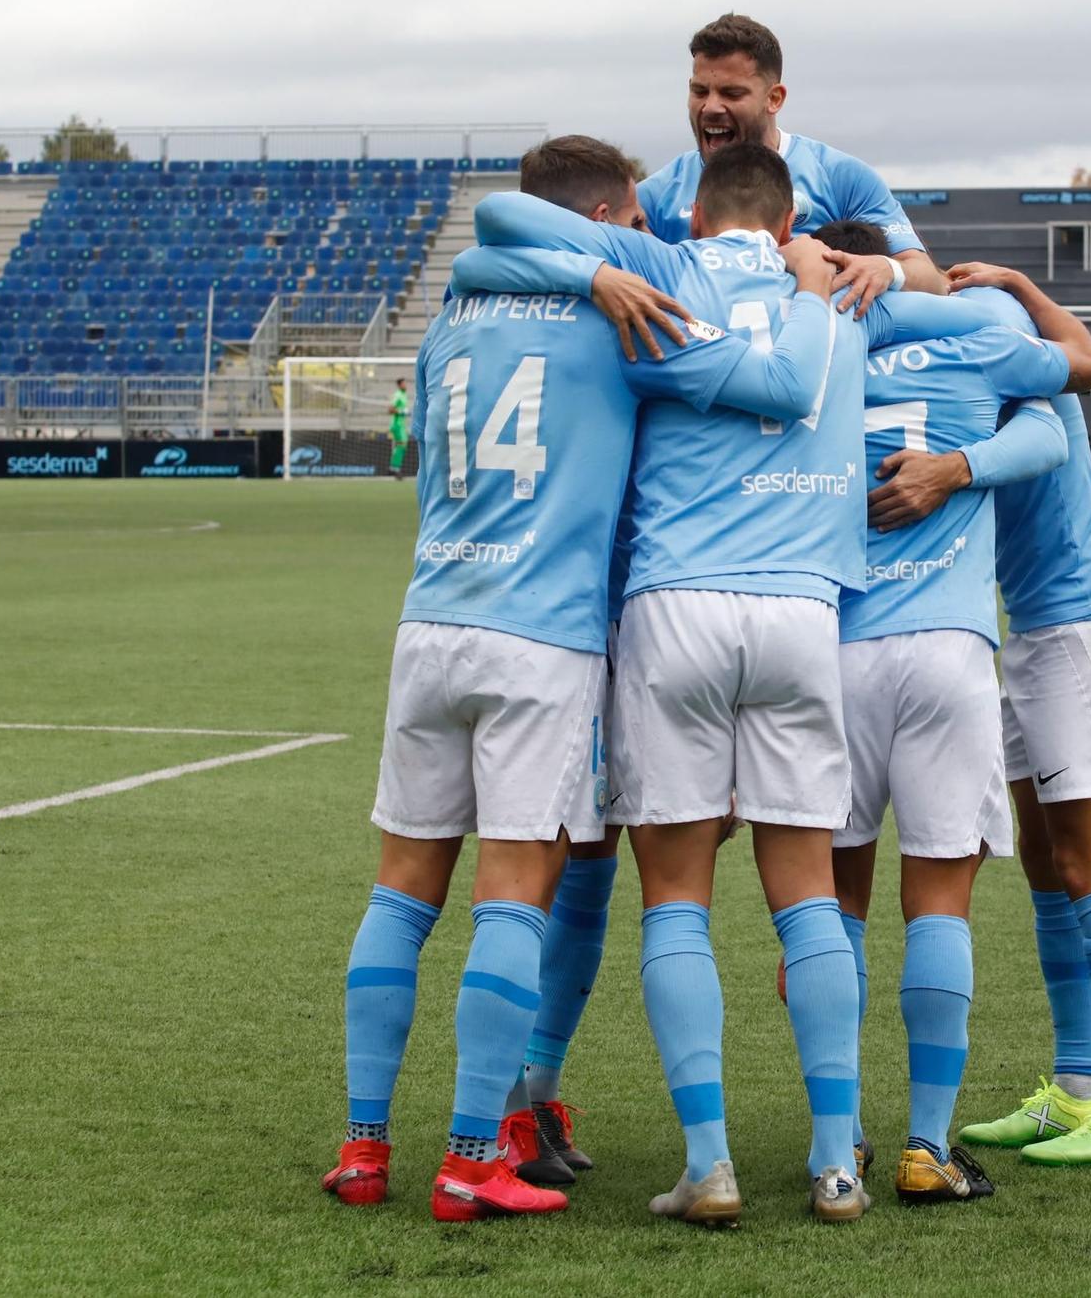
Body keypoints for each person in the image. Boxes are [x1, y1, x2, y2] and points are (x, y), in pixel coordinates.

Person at [322, 133, 842, 1223]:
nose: (650, 241)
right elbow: (772, 385)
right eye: (633, 227)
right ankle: (476, 1150)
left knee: (400, 890)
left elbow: (487, 246)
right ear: (605, 215)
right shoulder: (623, 318)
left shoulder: (451, 315)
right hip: (549, 634)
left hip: (432, 618)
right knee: (522, 886)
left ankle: (366, 1145)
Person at [456, 143, 876, 1224]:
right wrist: (841, 275)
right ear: (787, 221)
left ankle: (710, 1165)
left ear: (690, 213)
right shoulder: (828, 291)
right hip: (800, 609)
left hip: (675, 607)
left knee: (675, 902)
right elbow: (973, 321)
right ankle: (837, 1163)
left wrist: (598, 271)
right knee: (808, 899)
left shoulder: (667, 266)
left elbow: (501, 220)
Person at [811, 239, 1091, 1203]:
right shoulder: (977, 335)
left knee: (834, 908)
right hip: (947, 648)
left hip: (837, 649)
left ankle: (839, 1144)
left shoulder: (816, 346)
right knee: (939, 900)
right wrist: (960, 465)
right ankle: (927, 1149)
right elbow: (1066, 407)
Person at [637, 13, 947, 301]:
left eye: (732, 94)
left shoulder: (842, 177)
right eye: (700, 92)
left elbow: (930, 279)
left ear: (774, 99)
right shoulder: (654, 196)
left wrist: (887, 269)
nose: (711, 107)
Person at [387, 378, 412, 477]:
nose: (405, 385)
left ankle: (392, 468)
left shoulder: (404, 395)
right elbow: (390, 409)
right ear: (399, 385)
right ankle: (396, 469)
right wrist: (402, 412)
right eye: (404, 384)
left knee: (401, 446)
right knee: (401, 445)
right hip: (397, 424)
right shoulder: (397, 395)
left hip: (401, 425)